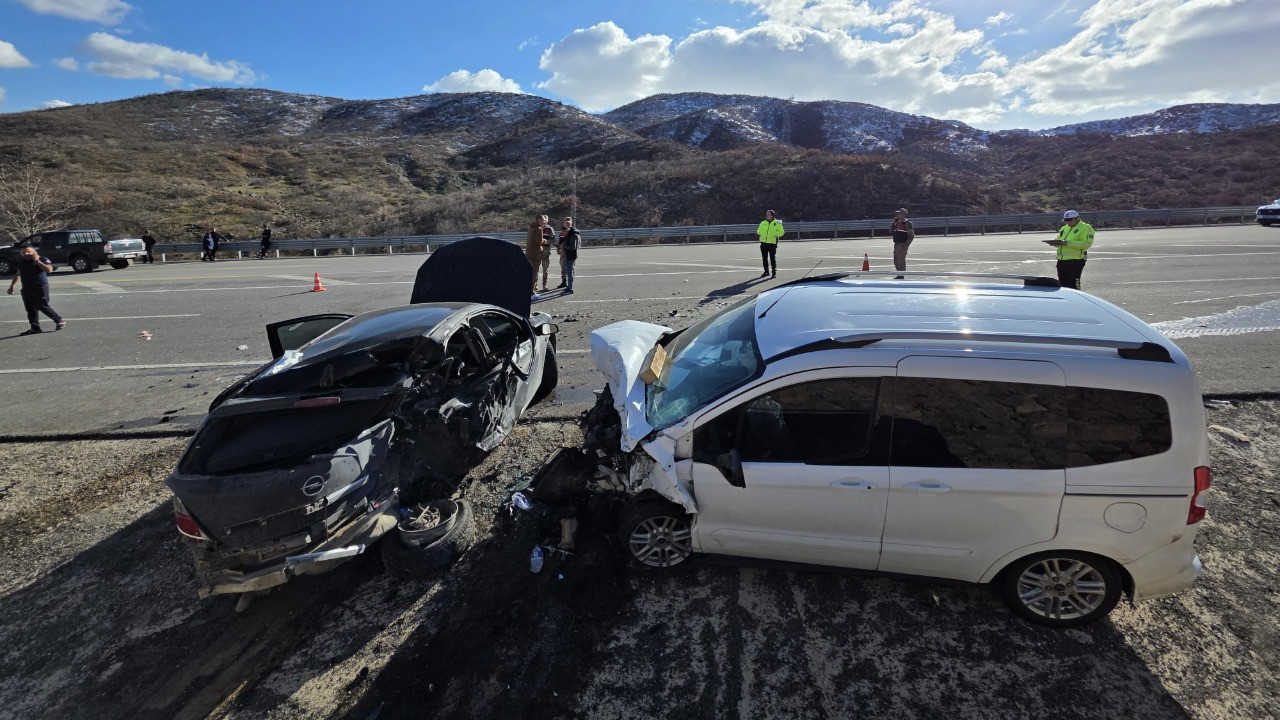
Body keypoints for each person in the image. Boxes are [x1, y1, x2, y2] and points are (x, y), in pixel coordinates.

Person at [7, 245, 65, 335]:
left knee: (42, 305)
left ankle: (59, 320)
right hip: (26, 288)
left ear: (34, 251)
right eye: (23, 252)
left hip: (40, 287)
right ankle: (35, 328)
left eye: (28, 251)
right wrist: (12, 286)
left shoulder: (42, 259)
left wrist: (37, 262)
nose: (26, 254)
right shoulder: (22, 262)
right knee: (30, 309)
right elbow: (18, 274)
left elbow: (49, 270)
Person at [1045, 209, 1095, 289]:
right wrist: (1055, 242)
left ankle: (1076, 297)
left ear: (1077, 218)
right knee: (1062, 285)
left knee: (1073, 285)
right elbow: (1058, 239)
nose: (1068, 222)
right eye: (1066, 220)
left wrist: (1067, 243)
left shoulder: (1086, 228)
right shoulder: (1064, 228)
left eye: (1070, 220)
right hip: (1061, 260)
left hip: (1076, 260)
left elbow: (1086, 244)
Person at [756, 209, 784, 278]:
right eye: (766, 214)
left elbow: (782, 232)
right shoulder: (763, 222)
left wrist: (775, 234)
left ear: (772, 216)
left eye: (768, 215)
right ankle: (766, 271)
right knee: (764, 258)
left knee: (772, 258)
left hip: (772, 244)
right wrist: (761, 233)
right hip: (763, 243)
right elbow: (758, 231)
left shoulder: (777, 223)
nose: (767, 216)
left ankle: (774, 272)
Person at [525, 215, 548, 298]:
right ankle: (532, 293)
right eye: (543, 220)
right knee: (534, 274)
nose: (544, 222)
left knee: (530, 273)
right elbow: (538, 241)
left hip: (529, 253)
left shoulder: (531, 228)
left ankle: (529, 291)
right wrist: (544, 240)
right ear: (539, 220)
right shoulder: (538, 229)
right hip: (535, 254)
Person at [890, 207, 915, 279]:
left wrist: (906, 245)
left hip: (902, 244)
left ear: (903, 214)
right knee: (896, 260)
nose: (897, 215)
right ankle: (899, 274)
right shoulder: (897, 222)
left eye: (899, 213)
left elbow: (911, 236)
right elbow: (891, 231)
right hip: (896, 244)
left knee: (901, 260)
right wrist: (893, 223)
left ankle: (901, 275)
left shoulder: (907, 223)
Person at [560, 216, 581, 294]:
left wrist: (564, 247)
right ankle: (569, 287)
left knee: (570, 272)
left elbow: (573, 247)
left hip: (571, 255)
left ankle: (570, 288)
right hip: (569, 254)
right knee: (568, 272)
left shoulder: (573, 235)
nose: (563, 235)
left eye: (564, 233)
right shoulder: (570, 234)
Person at [539, 218, 555, 292]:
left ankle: (544, 284)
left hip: (546, 251)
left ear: (546, 221)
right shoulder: (537, 229)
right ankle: (535, 285)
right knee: (535, 268)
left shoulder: (549, 229)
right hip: (537, 251)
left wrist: (545, 241)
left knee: (545, 268)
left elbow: (553, 240)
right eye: (541, 221)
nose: (543, 222)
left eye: (544, 221)